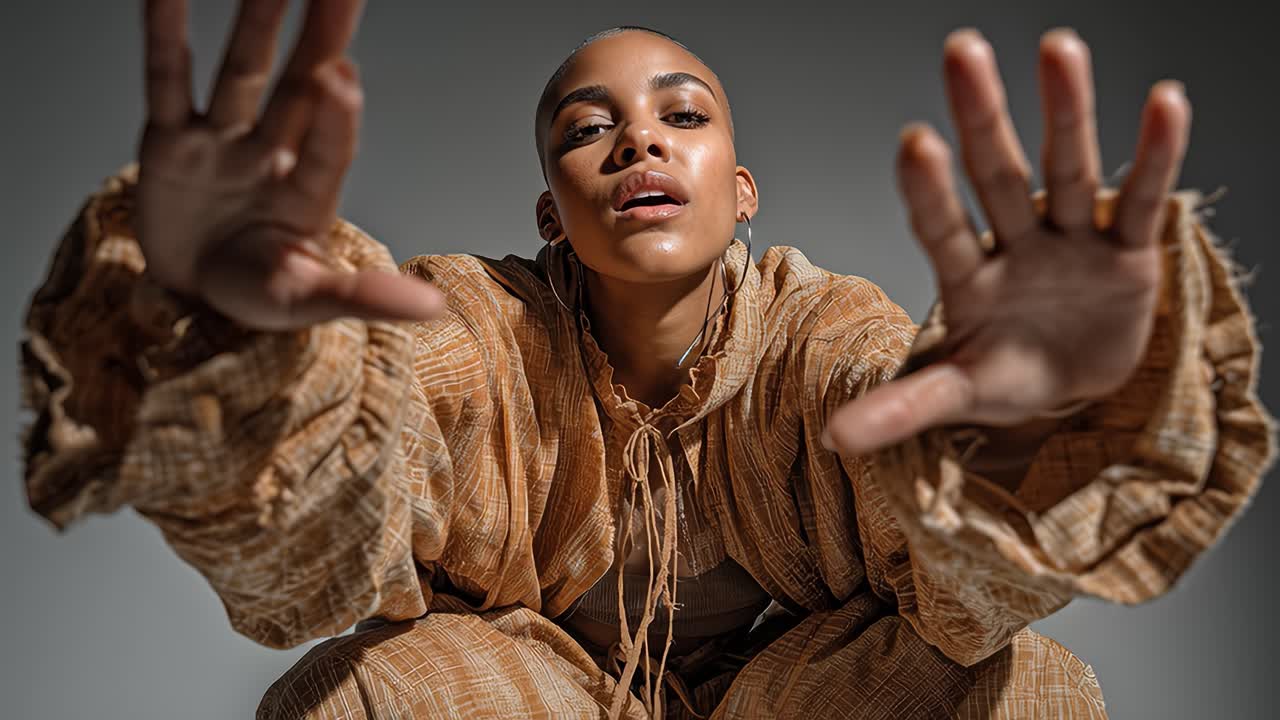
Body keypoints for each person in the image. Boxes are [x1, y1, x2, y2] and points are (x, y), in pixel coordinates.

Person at [19, 1, 1275, 718]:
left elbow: (891, 419)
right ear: (547, 210)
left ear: (739, 195)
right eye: (587, 130)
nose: (636, 142)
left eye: (681, 116)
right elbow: (386, 406)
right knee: (358, 695)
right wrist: (239, 341)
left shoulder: (816, 331)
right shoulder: (477, 322)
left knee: (1029, 691)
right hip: (541, 698)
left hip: (800, 703)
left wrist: (1032, 415)